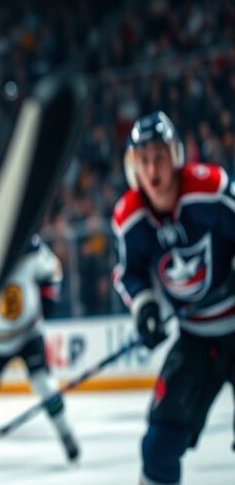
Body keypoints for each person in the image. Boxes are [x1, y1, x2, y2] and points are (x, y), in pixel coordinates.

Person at [112, 111, 235, 485]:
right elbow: (128, 274)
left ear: (177, 156)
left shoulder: (210, 190)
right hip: (195, 337)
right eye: (144, 160)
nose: (153, 170)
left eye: (160, 158)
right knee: (157, 448)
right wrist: (145, 307)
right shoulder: (129, 217)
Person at [0, 191, 79, 466]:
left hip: (28, 333)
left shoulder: (30, 247)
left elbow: (53, 269)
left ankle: (67, 436)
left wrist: (49, 297)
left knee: (46, 387)